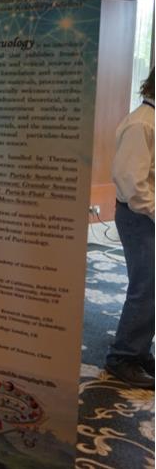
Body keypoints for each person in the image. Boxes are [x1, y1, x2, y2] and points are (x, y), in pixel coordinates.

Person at [105, 67, 155, 389]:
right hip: (139, 217)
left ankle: (138, 350)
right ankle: (122, 357)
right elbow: (131, 183)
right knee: (146, 287)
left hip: (146, 214)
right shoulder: (142, 124)